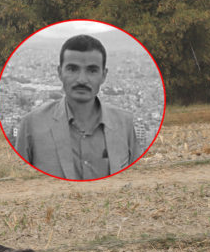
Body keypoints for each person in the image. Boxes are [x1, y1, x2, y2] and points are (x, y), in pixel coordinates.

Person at [14, 34, 139, 180]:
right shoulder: (32, 125)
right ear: (60, 73)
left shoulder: (124, 123)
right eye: (73, 69)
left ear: (104, 75)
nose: (82, 79)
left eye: (92, 70)